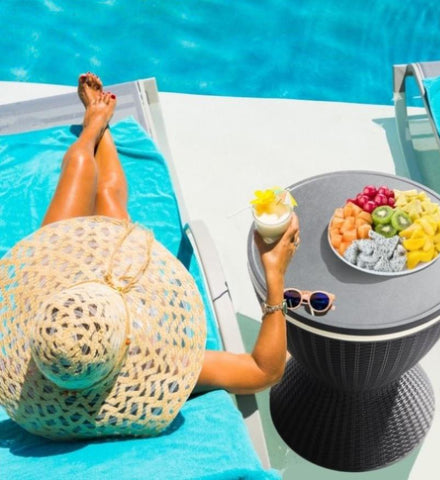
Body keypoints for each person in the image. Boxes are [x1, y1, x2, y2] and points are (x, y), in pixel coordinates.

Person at [42, 72, 300, 396]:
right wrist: (274, 274)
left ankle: (95, 126)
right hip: (88, 300)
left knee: (81, 166)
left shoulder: (51, 344)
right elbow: (263, 371)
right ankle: (97, 125)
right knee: (106, 196)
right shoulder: (149, 367)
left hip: (59, 295)